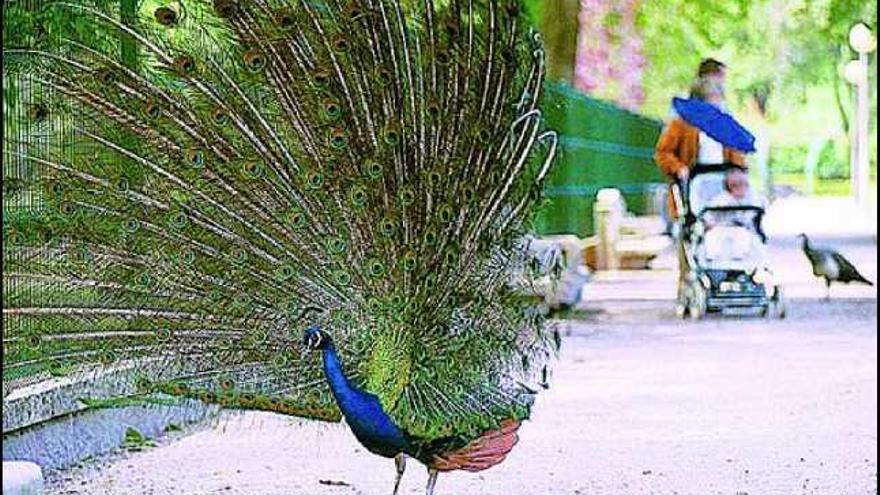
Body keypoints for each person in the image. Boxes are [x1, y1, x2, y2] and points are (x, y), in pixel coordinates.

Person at [654, 62, 748, 296]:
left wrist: (738, 170)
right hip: (693, 185)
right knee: (692, 229)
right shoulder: (682, 124)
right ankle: (688, 283)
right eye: (714, 98)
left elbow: (736, 151)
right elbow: (663, 153)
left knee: (725, 226)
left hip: (720, 182)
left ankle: (727, 273)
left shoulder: (723, 124)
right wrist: (680, 169)